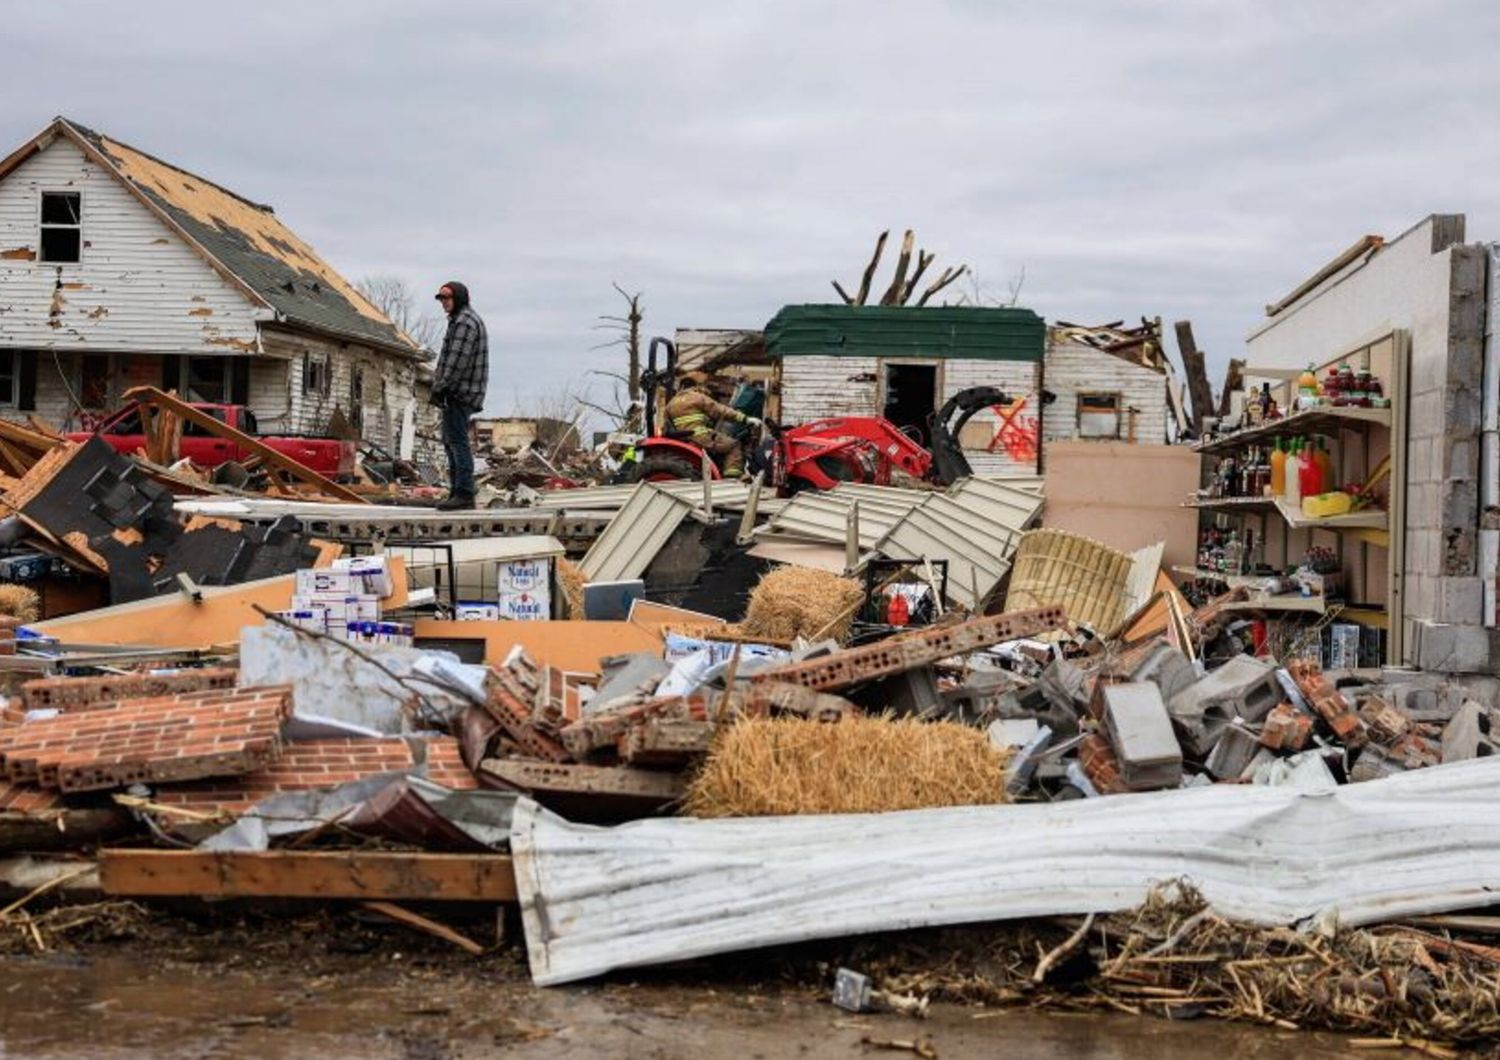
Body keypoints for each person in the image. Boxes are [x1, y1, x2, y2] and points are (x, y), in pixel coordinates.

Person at [431, 281, 488, 510]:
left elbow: (456, 361)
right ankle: (457, 491)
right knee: (450, 441)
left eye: (447, 298)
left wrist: (441, 386)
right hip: (458, 391)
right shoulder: (460, 320)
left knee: (457, 441)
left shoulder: (464, 323)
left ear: (459, 298)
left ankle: (463, 492)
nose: (444, 303)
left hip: (460, 391)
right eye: (441, 298)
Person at [663, 371, 761, 477]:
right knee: (733, 445)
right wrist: (745, 419)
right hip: (700, 436)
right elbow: (720, 410)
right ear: (695, 386)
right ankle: (731, 479)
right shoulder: (697, 397)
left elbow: (667, 426)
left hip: (683, 438)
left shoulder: (671, 403)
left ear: (681, 387)